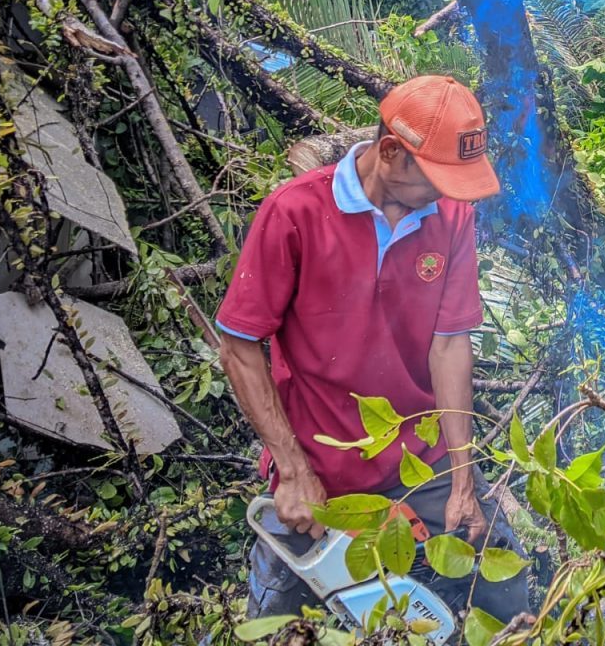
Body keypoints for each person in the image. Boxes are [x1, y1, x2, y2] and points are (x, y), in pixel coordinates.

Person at [216, 75, 529, 624]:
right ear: (390, 153)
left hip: (420, 454)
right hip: (320, 466)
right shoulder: (295, 213)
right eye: (437, 179)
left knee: (506, 587)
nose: (448, 195)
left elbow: (450, 343)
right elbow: (240, 346)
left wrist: (461, 478)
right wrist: (292, 470)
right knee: (277, 623)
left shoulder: (452, 214)